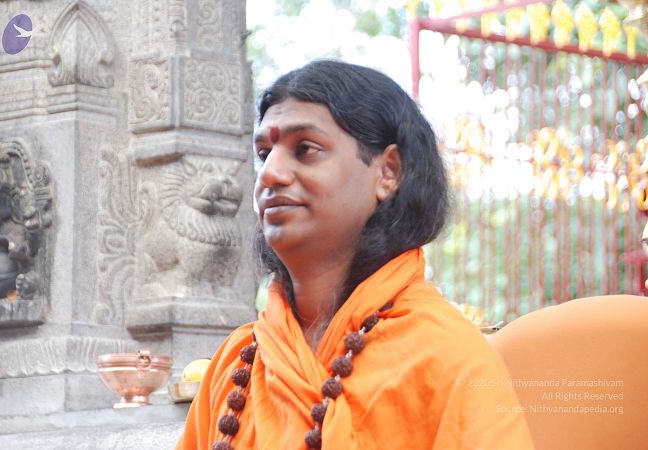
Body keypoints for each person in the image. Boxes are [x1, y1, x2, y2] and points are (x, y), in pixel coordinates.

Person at [176, 60, 534, 450]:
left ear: (388, 172)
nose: (269, 174)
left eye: (305, 149)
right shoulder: (237, 362)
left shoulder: (444, 356)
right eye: (264, 154)